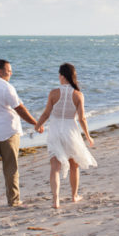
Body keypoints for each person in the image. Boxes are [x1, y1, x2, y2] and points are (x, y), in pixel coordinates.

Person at [0, 59, 40, 213]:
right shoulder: (6, 87)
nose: (11, 73)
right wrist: (35, 123)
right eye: (8, 70)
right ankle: (14, 200)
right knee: (10, 167)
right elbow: (19, 108)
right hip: (7, 132)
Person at [35, 63, 97, 209]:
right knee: (74, 165)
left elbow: (46, 113)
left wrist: (38, 125)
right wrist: (88, 136)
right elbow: (82, 119)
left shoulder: (53, 92)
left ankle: (55, 200)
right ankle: (74, 196)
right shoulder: (78, 95)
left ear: (61, 76)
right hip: (71, 131)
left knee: (55, 167)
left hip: (56, 130)